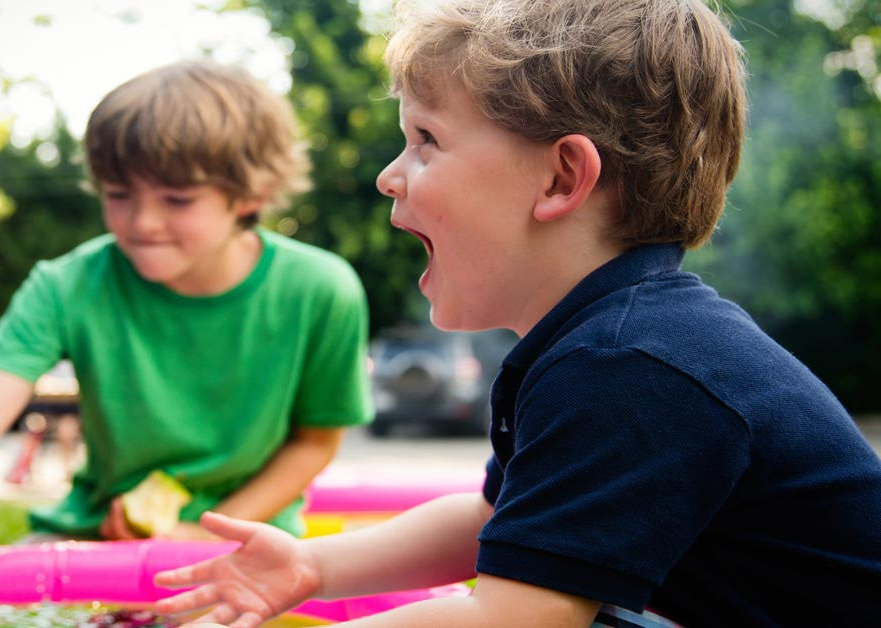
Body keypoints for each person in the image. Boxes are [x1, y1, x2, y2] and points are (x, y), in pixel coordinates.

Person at [152, 1, 881, 626]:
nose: (387, 175)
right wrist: (311, 566)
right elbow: (493, 522)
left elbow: (510, 618)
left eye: (426, 140)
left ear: (562, 177)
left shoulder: (630, 367)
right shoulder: (607, 341)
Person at [0, 60, 372, 626]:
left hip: (249, 544)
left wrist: (202, 531)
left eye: (177, 199)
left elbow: (314, 441)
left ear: (251, 194)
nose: (142, 222)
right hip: (90, 538)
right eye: (119, 194)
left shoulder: (322, 289)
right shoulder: (67, 284)